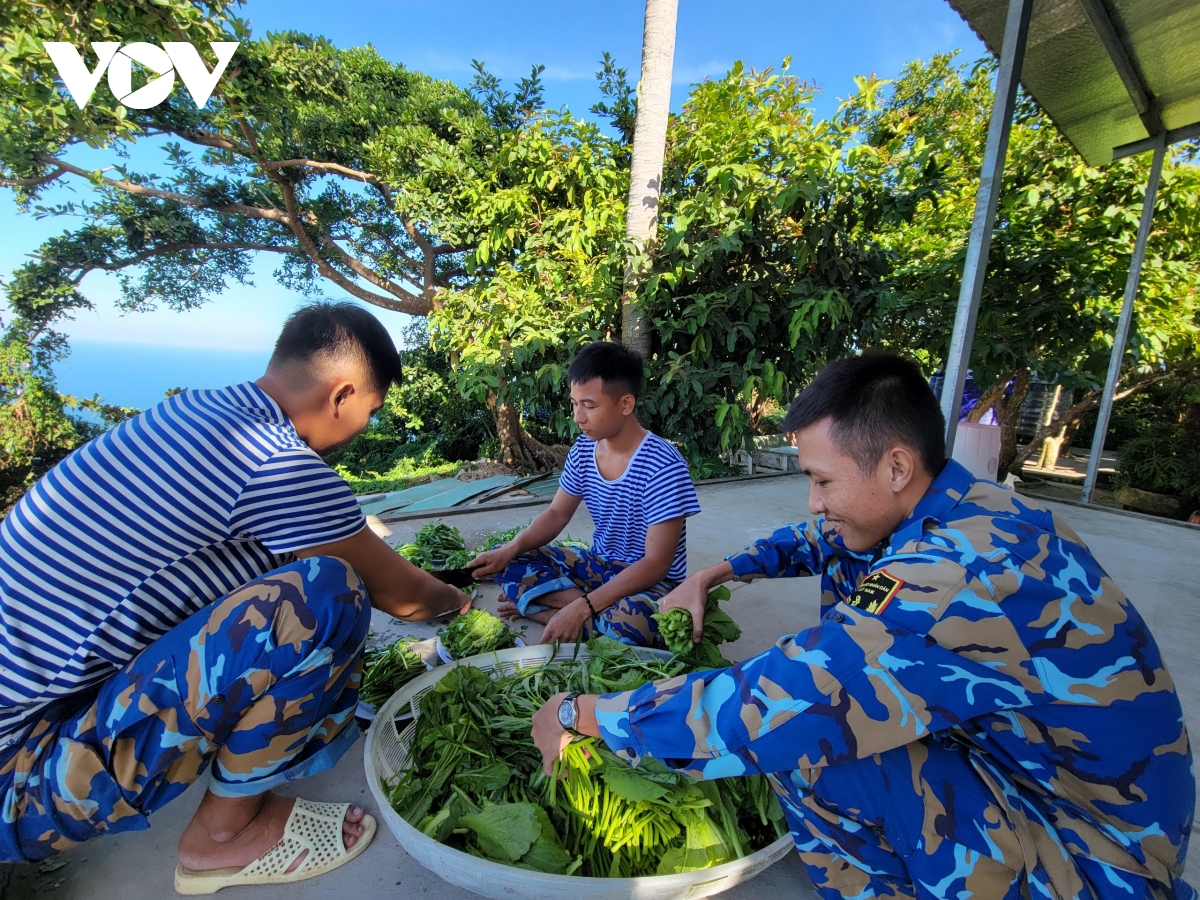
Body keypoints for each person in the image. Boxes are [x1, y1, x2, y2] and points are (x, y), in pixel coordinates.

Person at [531, 353, 1195, 900]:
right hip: (1042, 781)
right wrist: (711, 574)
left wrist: (585, 715)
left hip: (1095, 860)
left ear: (897, 465)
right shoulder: (963, 503)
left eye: (822, 479)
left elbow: (788, 701)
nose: (814, 501)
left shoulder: (959, 573)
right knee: (845, 582)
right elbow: (815, 536)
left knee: (814, 752)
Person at [0, 302, 471, 892]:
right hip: (17, 775)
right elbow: (403, 598)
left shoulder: (194, 411)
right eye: (370, 413)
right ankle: (221, 839)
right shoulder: (273, 459)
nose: (364, 430)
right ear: (343, 393)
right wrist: (461, 603)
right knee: (326, 595)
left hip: (35, 711)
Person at [471, 341, 700, 647]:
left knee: (634, 624)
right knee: (507, 556)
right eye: (574, 404)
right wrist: (509, 550)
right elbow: (556, 514)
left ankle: (549, 611)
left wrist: (584, 606)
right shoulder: (583, 451)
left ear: (626, 404)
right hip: (597, 564)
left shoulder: (663, 464)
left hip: (651, 582)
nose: (578, 417)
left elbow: (656, 564)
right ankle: (571, 614)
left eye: (589, 406)